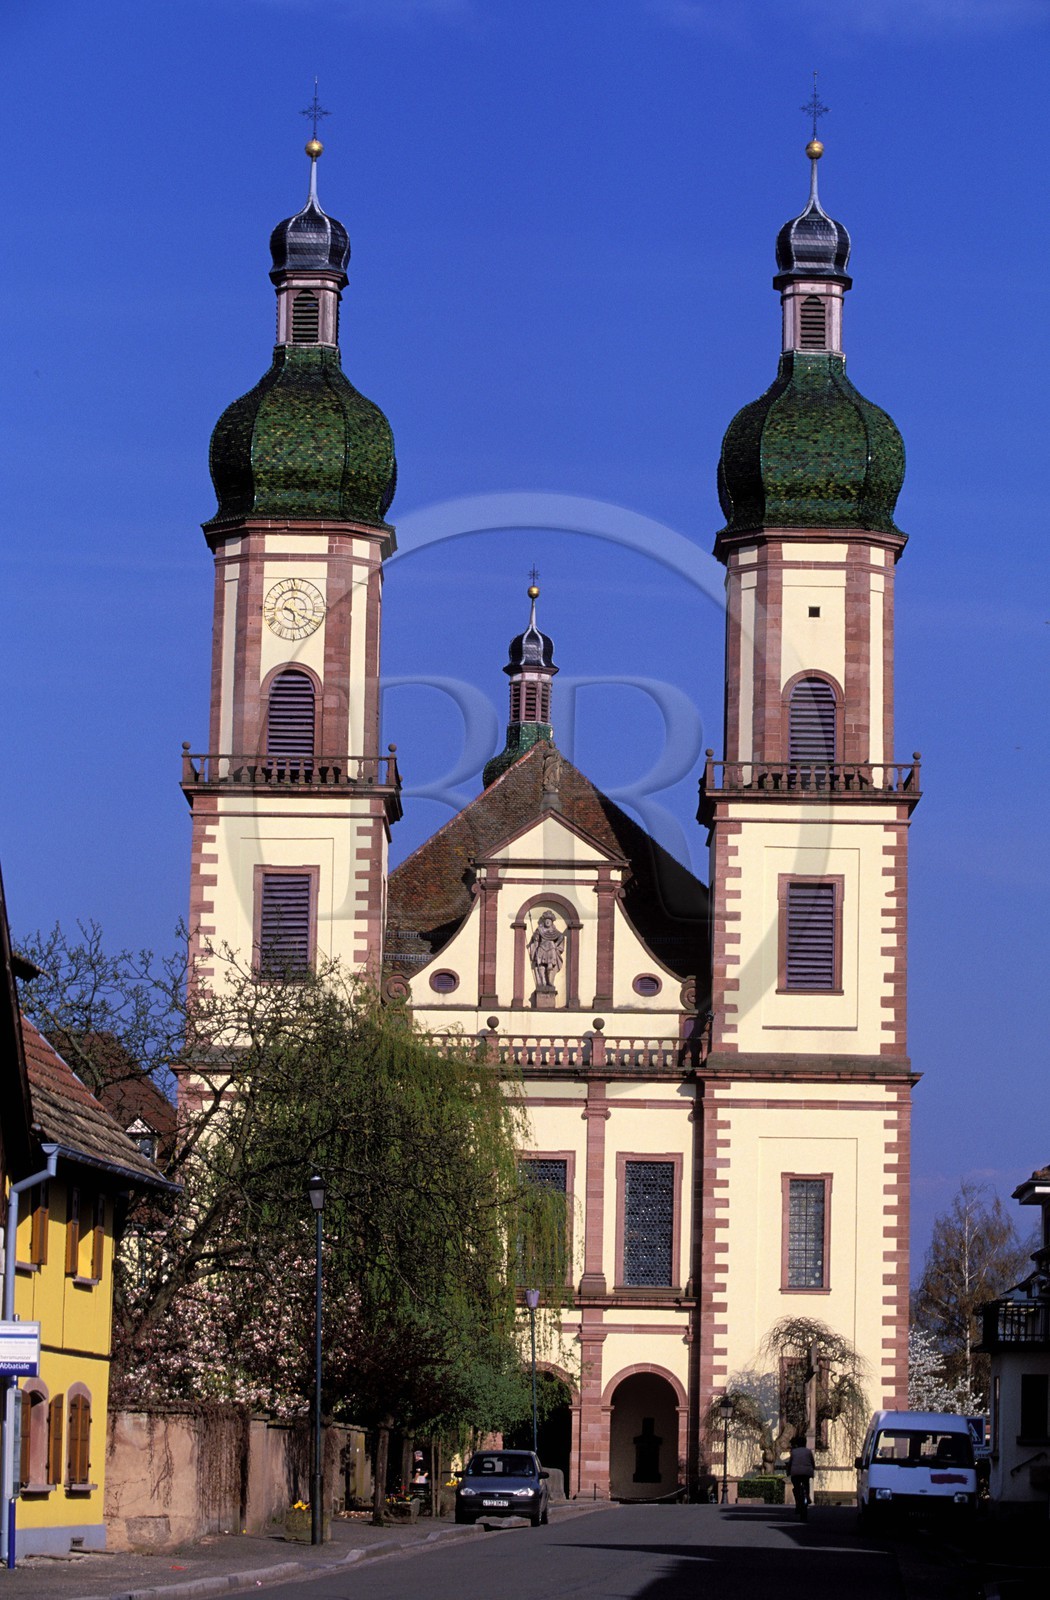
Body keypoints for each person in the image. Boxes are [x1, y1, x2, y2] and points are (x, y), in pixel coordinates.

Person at [787, 1435, 816, 1520]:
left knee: (796, 1487)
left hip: (795, 1472)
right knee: (806, 1483)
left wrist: (788, 1472)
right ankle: (807, 1495)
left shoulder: (794, 1452)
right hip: (807, 1472)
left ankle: (798, 1502)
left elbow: (790, 1463)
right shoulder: (808, 1451)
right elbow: (812, 1462)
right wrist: (812, 1469)